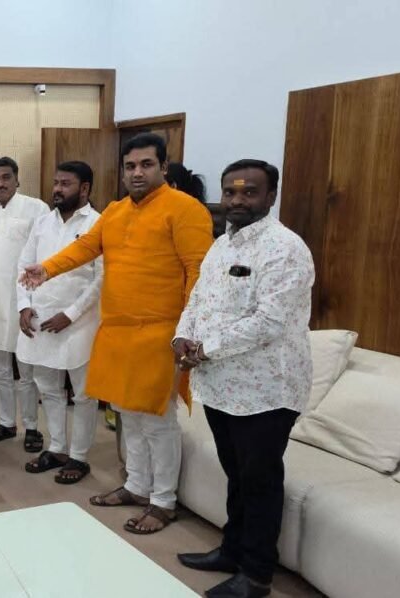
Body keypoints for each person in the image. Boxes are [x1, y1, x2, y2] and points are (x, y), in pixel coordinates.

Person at [21, 133, 212, 534]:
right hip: (117, 332)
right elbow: (85, 248)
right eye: (130, 166)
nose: (137, 172)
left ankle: (163, 501)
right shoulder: (115, 211)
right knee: (128, 416)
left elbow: (199, 273)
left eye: (146, 164)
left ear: (163, 166)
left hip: (161, 333)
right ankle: (137, 486)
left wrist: (189, 330)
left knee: (157, 420)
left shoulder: (185, 209)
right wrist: (47, 268)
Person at [175, 160, 314, 598]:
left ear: (270, 196)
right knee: (235, 474)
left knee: (259, 482)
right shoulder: (221, 245)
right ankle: (232, 550)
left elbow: (269, 321)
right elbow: (198, 298)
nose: (237, 200)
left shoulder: (285, 249)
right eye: (230, 192)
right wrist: (182, 335)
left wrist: (205, 348)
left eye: (249, 192)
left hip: (266, 391)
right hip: (222, 386)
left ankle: (256, 575)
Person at [17, 161, 103, 484]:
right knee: (48, 387)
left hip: (80, 321)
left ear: (85, 188)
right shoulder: (42, 223)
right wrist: (24, 305)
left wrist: (71, 314)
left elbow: (102, 278)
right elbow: (24, 266)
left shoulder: (98, 223)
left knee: (83, 393)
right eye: (56, 183)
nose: (57, 189)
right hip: (41, 318)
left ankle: (79, 457)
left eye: (65, 184)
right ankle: (56, 448)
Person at [0, 157, 49, 452]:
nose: (0, 183)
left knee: (26, 369)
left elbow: (43, 255)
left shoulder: (36, 208)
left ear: (17, 179)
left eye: (6, 177)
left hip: (25, 300)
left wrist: (32, 299)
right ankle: (5, 423)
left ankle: (32, 427)